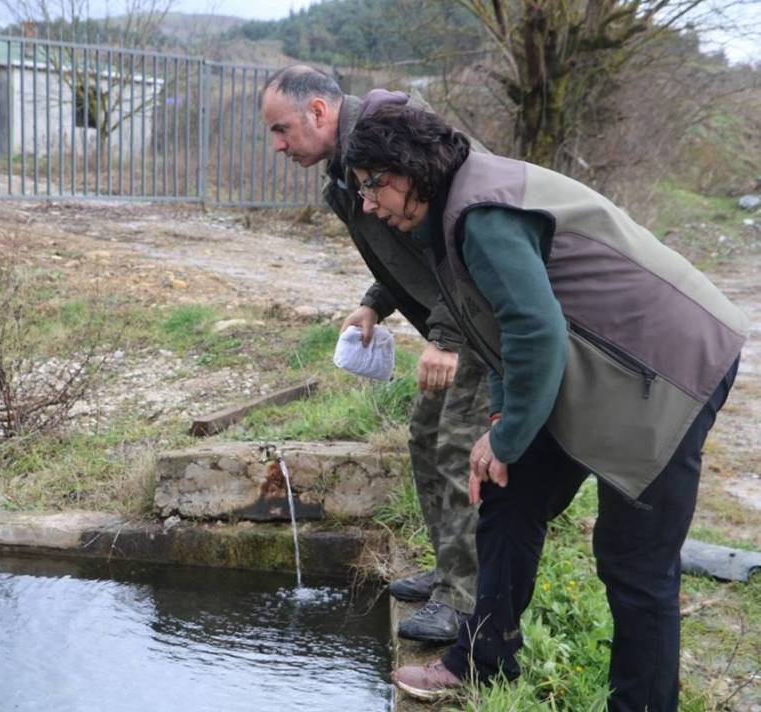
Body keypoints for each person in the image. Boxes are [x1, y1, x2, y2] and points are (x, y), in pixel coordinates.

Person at [344, 98, 746, 710]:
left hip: (667, 369)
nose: (368, 204)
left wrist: (503, 435)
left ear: (410, 169)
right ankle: (484, 660)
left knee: (635, 563)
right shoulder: (450, 212)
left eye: (374, 187)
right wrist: (506, 422)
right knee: (508, 491)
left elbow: (536, 333)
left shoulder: (481, 214)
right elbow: (504, 331)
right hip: (598, 365)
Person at [260, 65, 489, 643]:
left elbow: (455, 245)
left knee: (458, 447)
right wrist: (373, 303)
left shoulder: (398, 142)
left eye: (282, 129)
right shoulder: (346, 176)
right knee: (425, 437)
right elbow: (400, 246)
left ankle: (464, 602)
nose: (278, 145)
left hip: (482, 321)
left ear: (317, 111)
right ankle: (447, 571)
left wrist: (448, 339)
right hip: (454, 323)